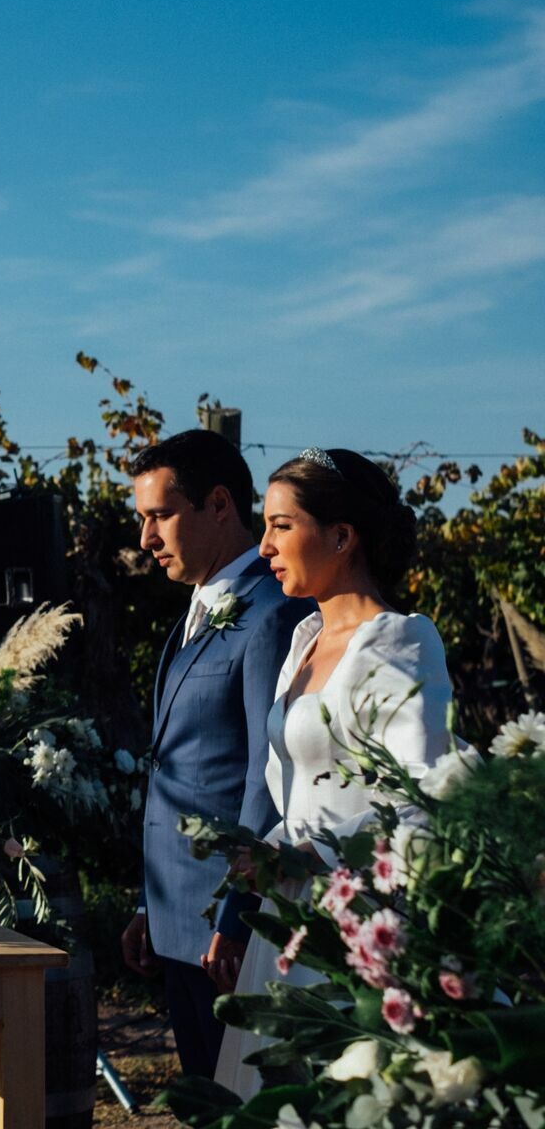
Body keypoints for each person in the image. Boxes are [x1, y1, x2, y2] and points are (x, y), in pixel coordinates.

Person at [213, 447, 453, 1099]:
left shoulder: (400, 642)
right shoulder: (303, 640)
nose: (262, 546)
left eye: (280, 526)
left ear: (342, 537)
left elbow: (423, 794)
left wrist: (311, 853)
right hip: (290, 917)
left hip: (361, 920)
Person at [123, 430, 312, 1078]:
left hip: (228, 934)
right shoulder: (194, 615)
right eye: (142, 518)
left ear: (221, 504)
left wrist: (237, 917)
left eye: (161, 516)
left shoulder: (273, 614)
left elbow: (269, 775)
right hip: (180, 924)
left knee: (246, 1106)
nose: (147, 538)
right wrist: (151, 904)